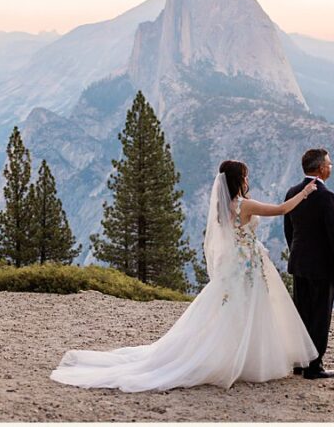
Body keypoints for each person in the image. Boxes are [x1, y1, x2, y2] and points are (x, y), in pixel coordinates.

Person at [50, 160, 319, 392]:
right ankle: (245, 359)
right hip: (247, 267)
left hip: (238, 267)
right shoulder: (244, 205)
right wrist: (305, 192)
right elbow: (281, 209)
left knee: (233, 311)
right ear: (239, 180)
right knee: (248, 310)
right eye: (245, 176)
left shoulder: (224, 206)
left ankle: (236, 356)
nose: (248, 180)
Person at [283, 148, 334, 380]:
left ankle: (299, 362)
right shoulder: (326, 196)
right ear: (321, 168)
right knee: (320, 316)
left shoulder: (292, 192)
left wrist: (297, 253)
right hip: (322, 267)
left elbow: (289, 229)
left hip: (299, 263)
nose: (330, 167)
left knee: (302, 313)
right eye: (329, 164)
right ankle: (314, 366)